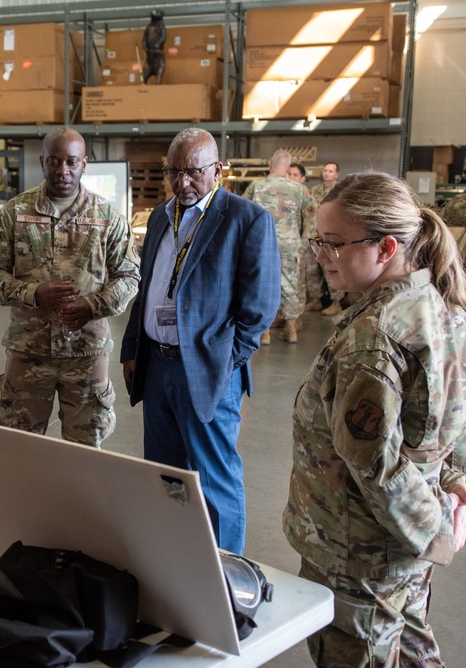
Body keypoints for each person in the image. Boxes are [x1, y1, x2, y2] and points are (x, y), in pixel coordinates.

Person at [286, 171, 466, 666]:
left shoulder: (373, 339)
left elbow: (374, 464)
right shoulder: (445, 312)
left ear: (387, 247)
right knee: (413, 649)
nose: (321, 256)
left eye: (333, 244)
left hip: (359, 553)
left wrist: (432, 534)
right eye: (318, 242)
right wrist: (456, 484)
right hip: (400, 548)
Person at [121, 128, 279, 554]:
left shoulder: (247, 219)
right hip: (157, 367)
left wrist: (223, 360)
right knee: (164, 475)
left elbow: (261, 307)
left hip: (207, 370)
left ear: (217, 170)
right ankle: (175, 562)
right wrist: (133, 349)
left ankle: (228, 577)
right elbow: (147, 288)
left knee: (214, 480)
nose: (182, 182)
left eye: (193, 172)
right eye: (174, 171)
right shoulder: (159, 215)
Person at [0, 127, 140, 447]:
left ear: (85, 163)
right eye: (54, 161)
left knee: (83, 452)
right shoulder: (15, 213)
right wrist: (32, 293)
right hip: (28, 353)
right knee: (20, 448)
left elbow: (129, 276)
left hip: (86, 355)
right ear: (42, 161)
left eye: (71, 162)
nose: (63, 170)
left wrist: (94, 305)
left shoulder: (107, 216)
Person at [243, 149, 314, 343]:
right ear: (288, 168)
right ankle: (291, 330)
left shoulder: (256, 186)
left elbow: (243, 214)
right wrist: (304, 242)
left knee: (261, 284)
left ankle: (264, 332)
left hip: (262, 244)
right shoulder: (299, 189)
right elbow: (312, 215)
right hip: (290, 244)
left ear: (269, 165)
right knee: (290, 285)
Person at [311, 161, 344, 314]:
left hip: (330, 237)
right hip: (314, 235)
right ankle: (316, 300)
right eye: (325, 170)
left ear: (336, 174)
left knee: (329, 269)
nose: (326, 173)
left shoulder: (340, 191)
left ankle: (336, 302)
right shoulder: (315, 190)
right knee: (313, 270)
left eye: (330, 171)